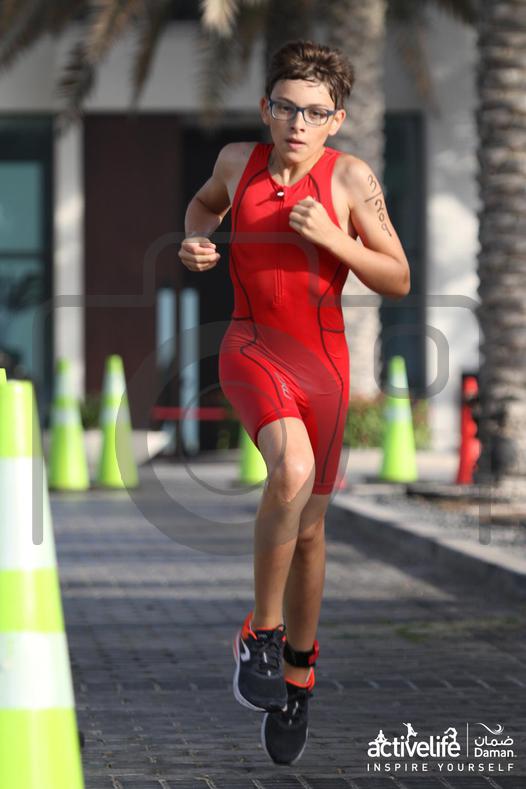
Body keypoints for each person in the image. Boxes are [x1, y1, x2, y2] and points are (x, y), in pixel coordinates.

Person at [178, 39, 410, 766]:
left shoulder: (351, 179)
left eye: (314, 112)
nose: (298, 123)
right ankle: (263, 635)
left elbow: (397, 277)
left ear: (336, 119)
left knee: (309, 530)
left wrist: (336, 240)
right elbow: (203, 207)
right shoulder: (234, 163)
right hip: (251, 346)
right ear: (265, 108)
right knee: (291, 471)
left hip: (324, 366)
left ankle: (300, 674)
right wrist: (195, 240)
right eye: (286, 108)